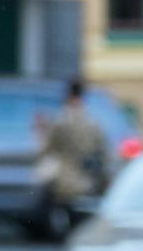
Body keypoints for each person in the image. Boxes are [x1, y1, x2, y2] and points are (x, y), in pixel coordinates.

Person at [40, 78, 108, 224]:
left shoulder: (60, 122)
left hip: (65, 183)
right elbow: (102, 151)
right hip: (88, 182)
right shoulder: (93, 122)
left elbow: (49, 150)